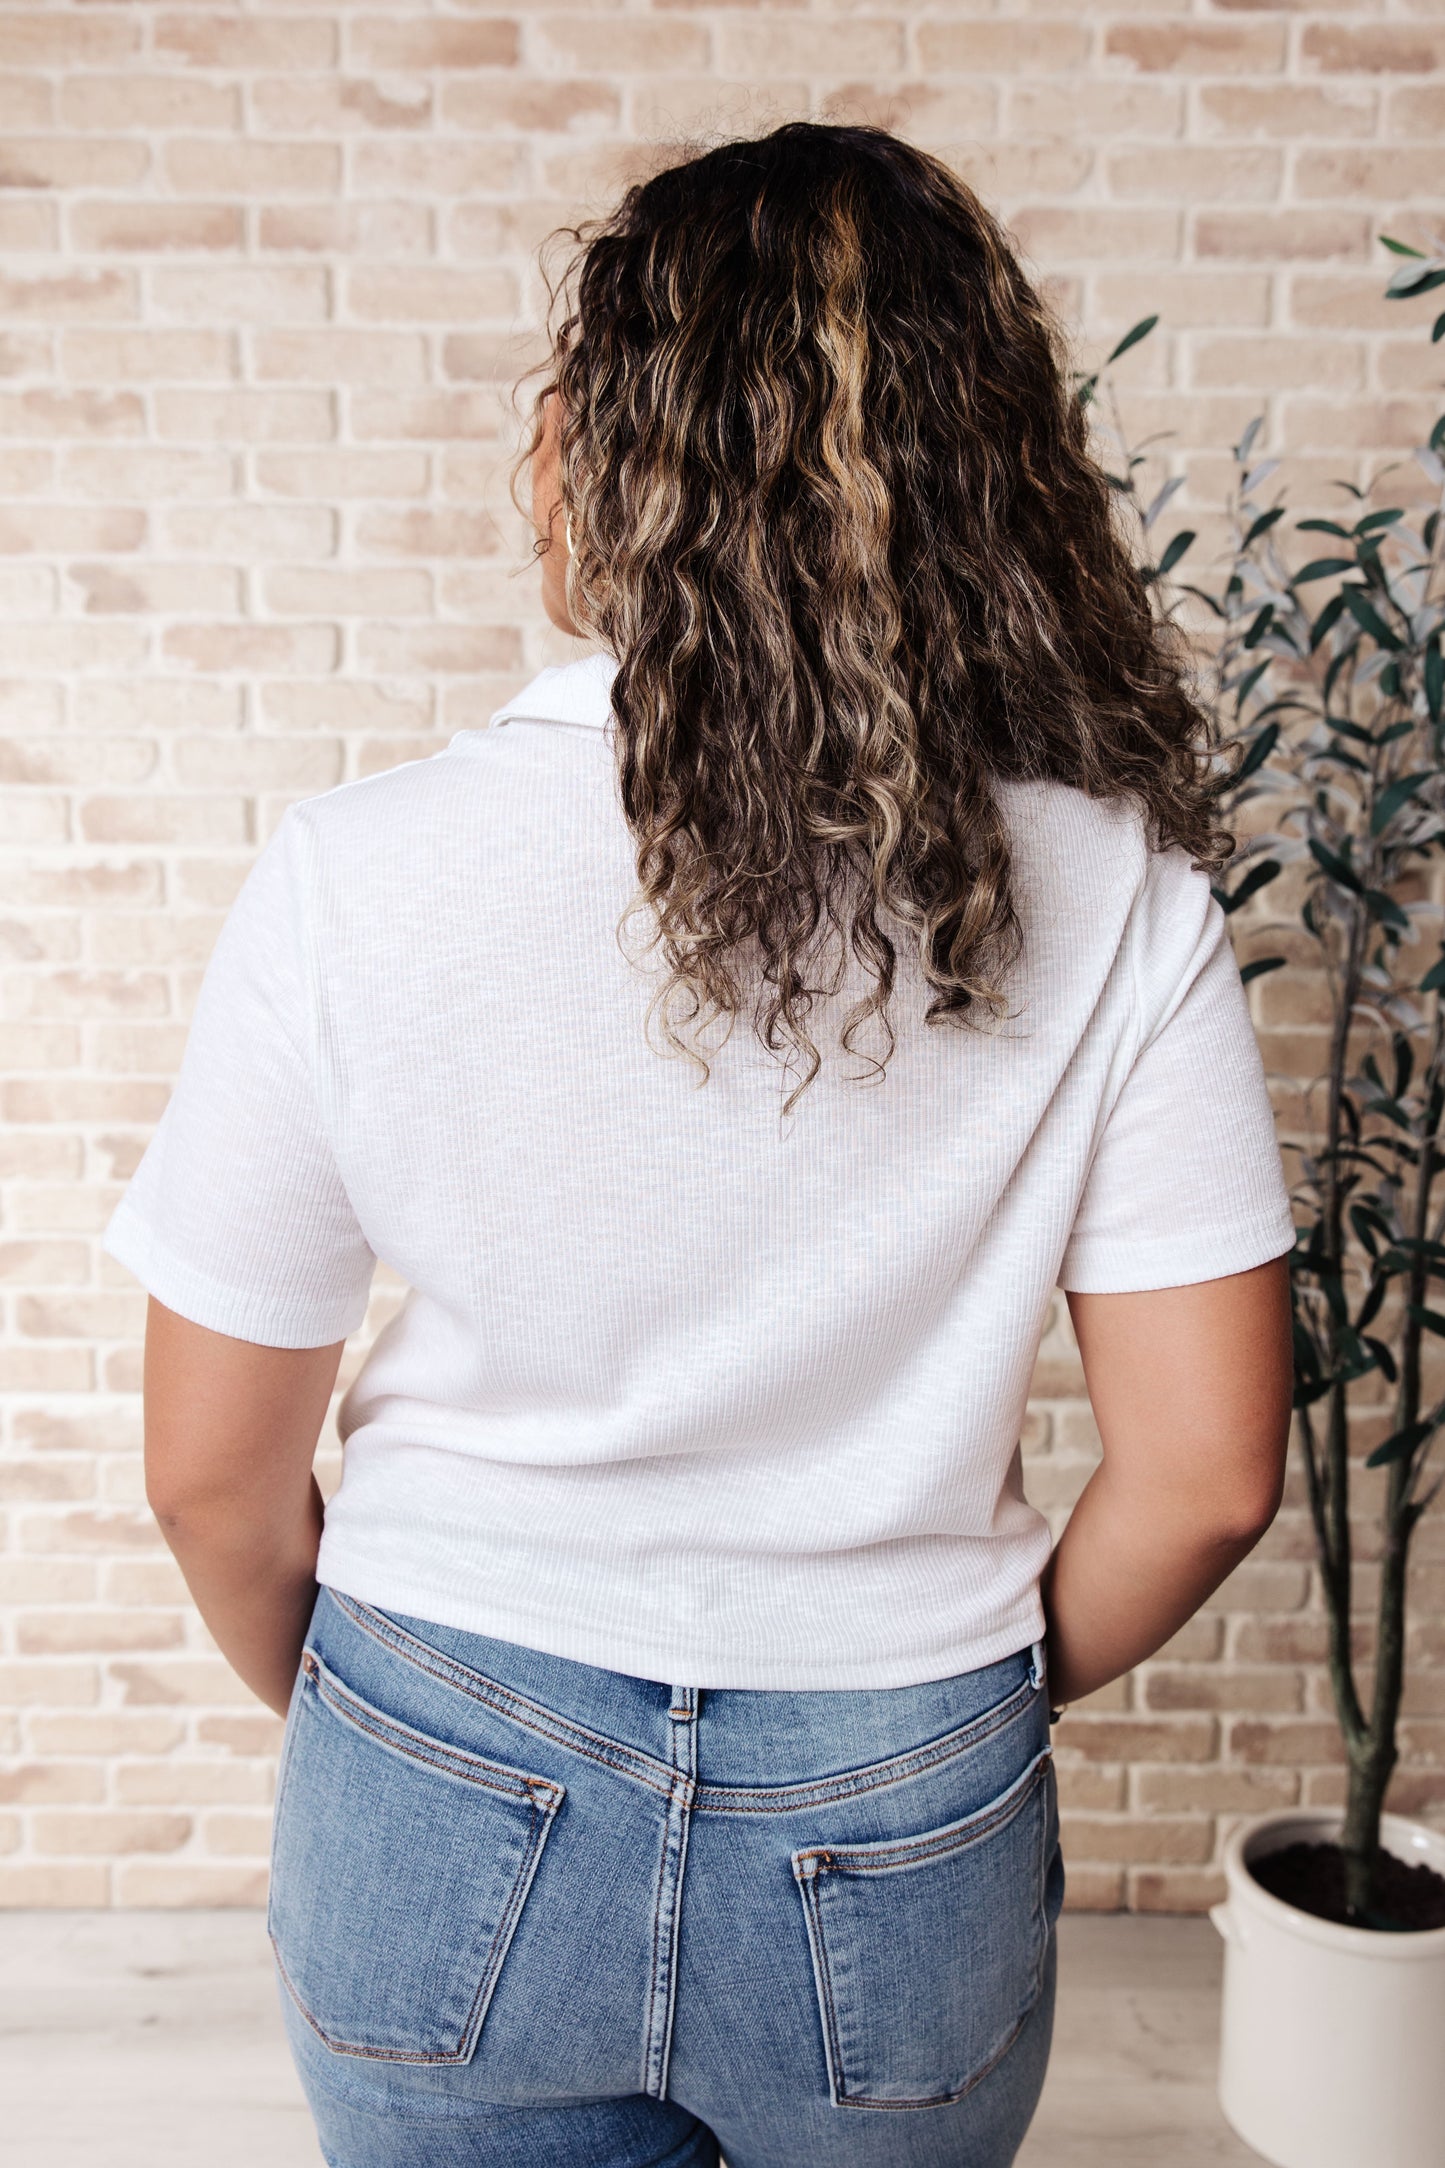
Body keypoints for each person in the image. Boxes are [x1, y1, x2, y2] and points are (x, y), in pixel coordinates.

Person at [102, 122, 1295, 2168]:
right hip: (901, 1791)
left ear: (592, 448)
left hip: (442, 1739)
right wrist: (952, 1711)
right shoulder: (1127, 901)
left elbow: (213, 1473)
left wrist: (401, 1735)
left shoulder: (353, 877)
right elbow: (1202, 1479)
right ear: (986, 473)